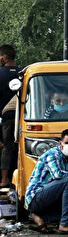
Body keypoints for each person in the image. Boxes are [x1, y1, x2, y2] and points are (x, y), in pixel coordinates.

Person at [24, 129, 68, 233]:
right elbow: (58, 175)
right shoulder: (53, 154)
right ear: (60, 143)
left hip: (50, 199)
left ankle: (40, 217)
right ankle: (65, 225)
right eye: (67, 143)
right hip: (36, 197)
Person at [0, 44, 20, 188]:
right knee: (20, 147)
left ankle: (4, 179)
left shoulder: (0, 74)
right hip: (23, 116)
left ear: (5, 57)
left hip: (6, 117)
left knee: (7, 147)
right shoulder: (23, 73)